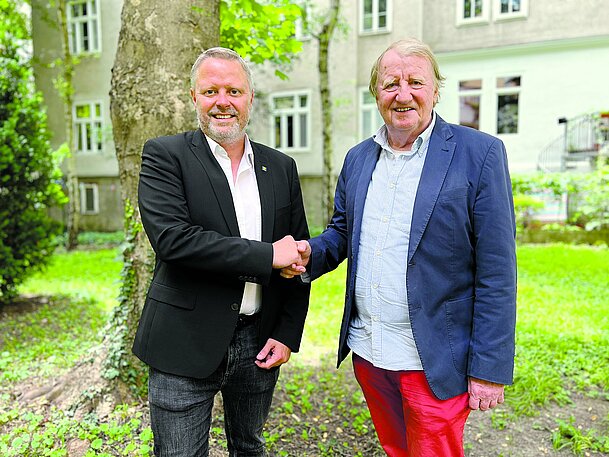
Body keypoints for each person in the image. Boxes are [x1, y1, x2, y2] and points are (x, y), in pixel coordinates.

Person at [282, 37, 517, 456]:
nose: (403, 94)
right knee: (395, 449)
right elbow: (342, 232)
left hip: (435, 358)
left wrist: (489, 368)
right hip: (369, 350)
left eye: (415, 82)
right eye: (391, 83)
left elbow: (498, 271)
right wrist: (309, 254)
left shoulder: (479, 154)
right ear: (376, 93)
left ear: (436, 90)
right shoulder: (358, 158)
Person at [132, 47, 311, 457]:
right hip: (183, 340)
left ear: (250, 98)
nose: (222, 102)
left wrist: (286, 333)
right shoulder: (165, 155)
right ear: (194, 97)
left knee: (250, 447)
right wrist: (267, 256)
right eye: (211, 91)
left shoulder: (281, 167)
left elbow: (297, 256)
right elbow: (175, 240)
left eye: (234, 91)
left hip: (258, 341)